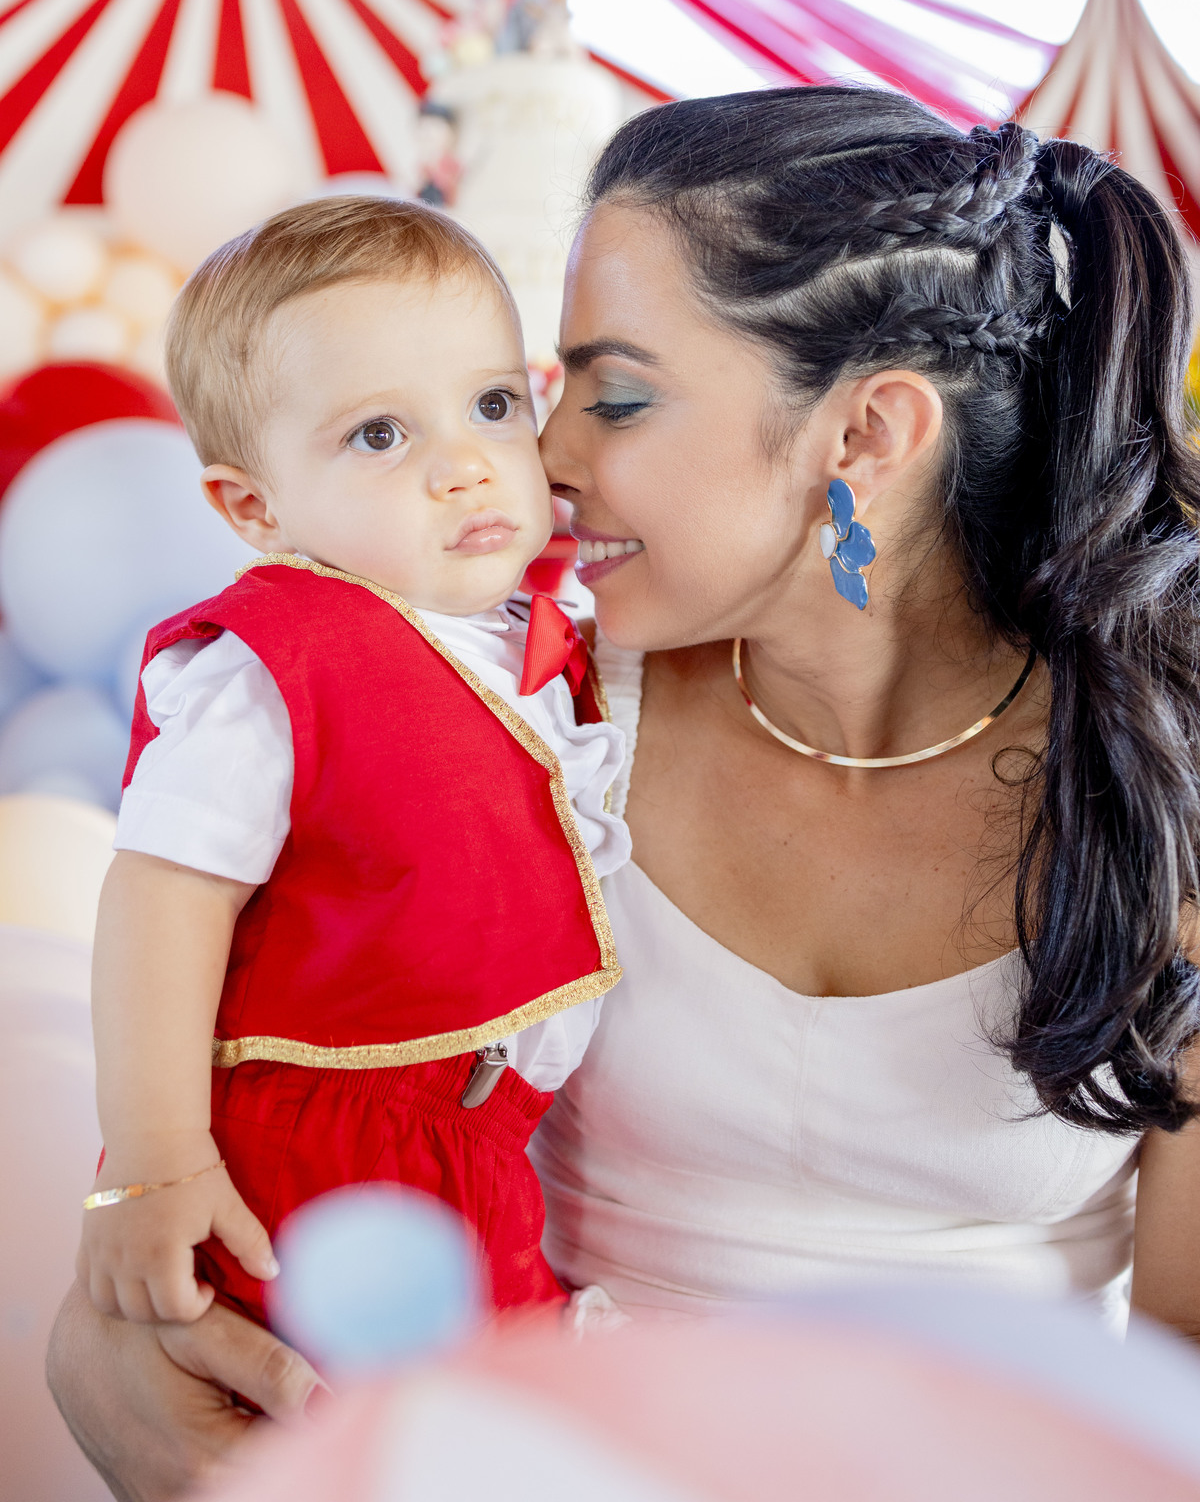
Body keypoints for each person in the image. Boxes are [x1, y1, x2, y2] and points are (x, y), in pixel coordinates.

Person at [49, 89, 1200, 1497]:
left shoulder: (1158, 777)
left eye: (619, 397)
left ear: (864, 436)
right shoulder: (533, 703)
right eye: (544, 394)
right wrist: (100, 1351)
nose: (543, 458)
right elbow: (260, 1049)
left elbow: (1181, 1382)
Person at [74, 196, 628, 1334]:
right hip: (317, 1141)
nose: (465, 466)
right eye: (380, 435)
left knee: (501, 1388)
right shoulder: (272, 669)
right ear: (253, 507)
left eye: (492, 405)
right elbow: (163, 900)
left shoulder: (544, 636)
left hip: (481, 1138)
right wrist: (157, 1158)